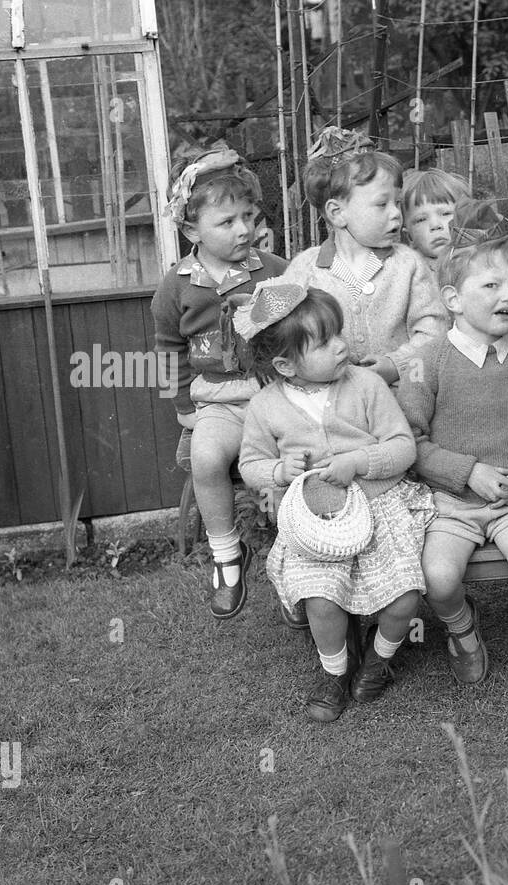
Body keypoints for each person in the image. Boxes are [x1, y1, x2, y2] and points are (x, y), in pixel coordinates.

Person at [237, 283, 431, 719]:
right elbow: (250, 464)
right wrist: (277, 472)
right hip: (315, 519)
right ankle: (336, 672)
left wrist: (360, 460)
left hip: (381, 505)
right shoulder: (265, 407)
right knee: (323, 603)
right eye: (325, 343)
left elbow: (403, 447)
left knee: (403, 599)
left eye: (339, 334)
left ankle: (379, 661)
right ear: (286, 364)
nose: (343, 346)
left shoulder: (365, 385)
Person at [395, 232, 508, 684]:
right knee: (439, 578)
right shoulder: (425, 361)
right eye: (490, 286)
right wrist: (468, 471)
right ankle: (461, 630)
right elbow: (410, 440)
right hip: (450, 500)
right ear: (452, 298)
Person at [152, 144, 288, 620]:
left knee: (289, 468)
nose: (244, 230)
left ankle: (293, 560)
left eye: (249, 217)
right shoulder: (178, 285)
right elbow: (168, 346)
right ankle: (227, 554)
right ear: (192, 230)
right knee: (205, 458)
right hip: (216, 402)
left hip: (272, 397)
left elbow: (294, 330)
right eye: (227, 222)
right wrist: (180, 406)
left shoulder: (273, 271)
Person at [281, 127, 447, 385]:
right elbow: (286, 334)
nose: (395, 213)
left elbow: (433, 329)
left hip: (399, 394)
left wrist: (396, 364)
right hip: (329, 398)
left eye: (397, 203)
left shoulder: (408, 264)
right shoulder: (306, 268)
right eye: (382, 204)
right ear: (337, 213)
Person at [401, 167, 472, 276]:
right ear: (409, 236)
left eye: (446, 214)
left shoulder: (485, 261)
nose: (435, 225)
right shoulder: (410, 275)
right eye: (421, 219)